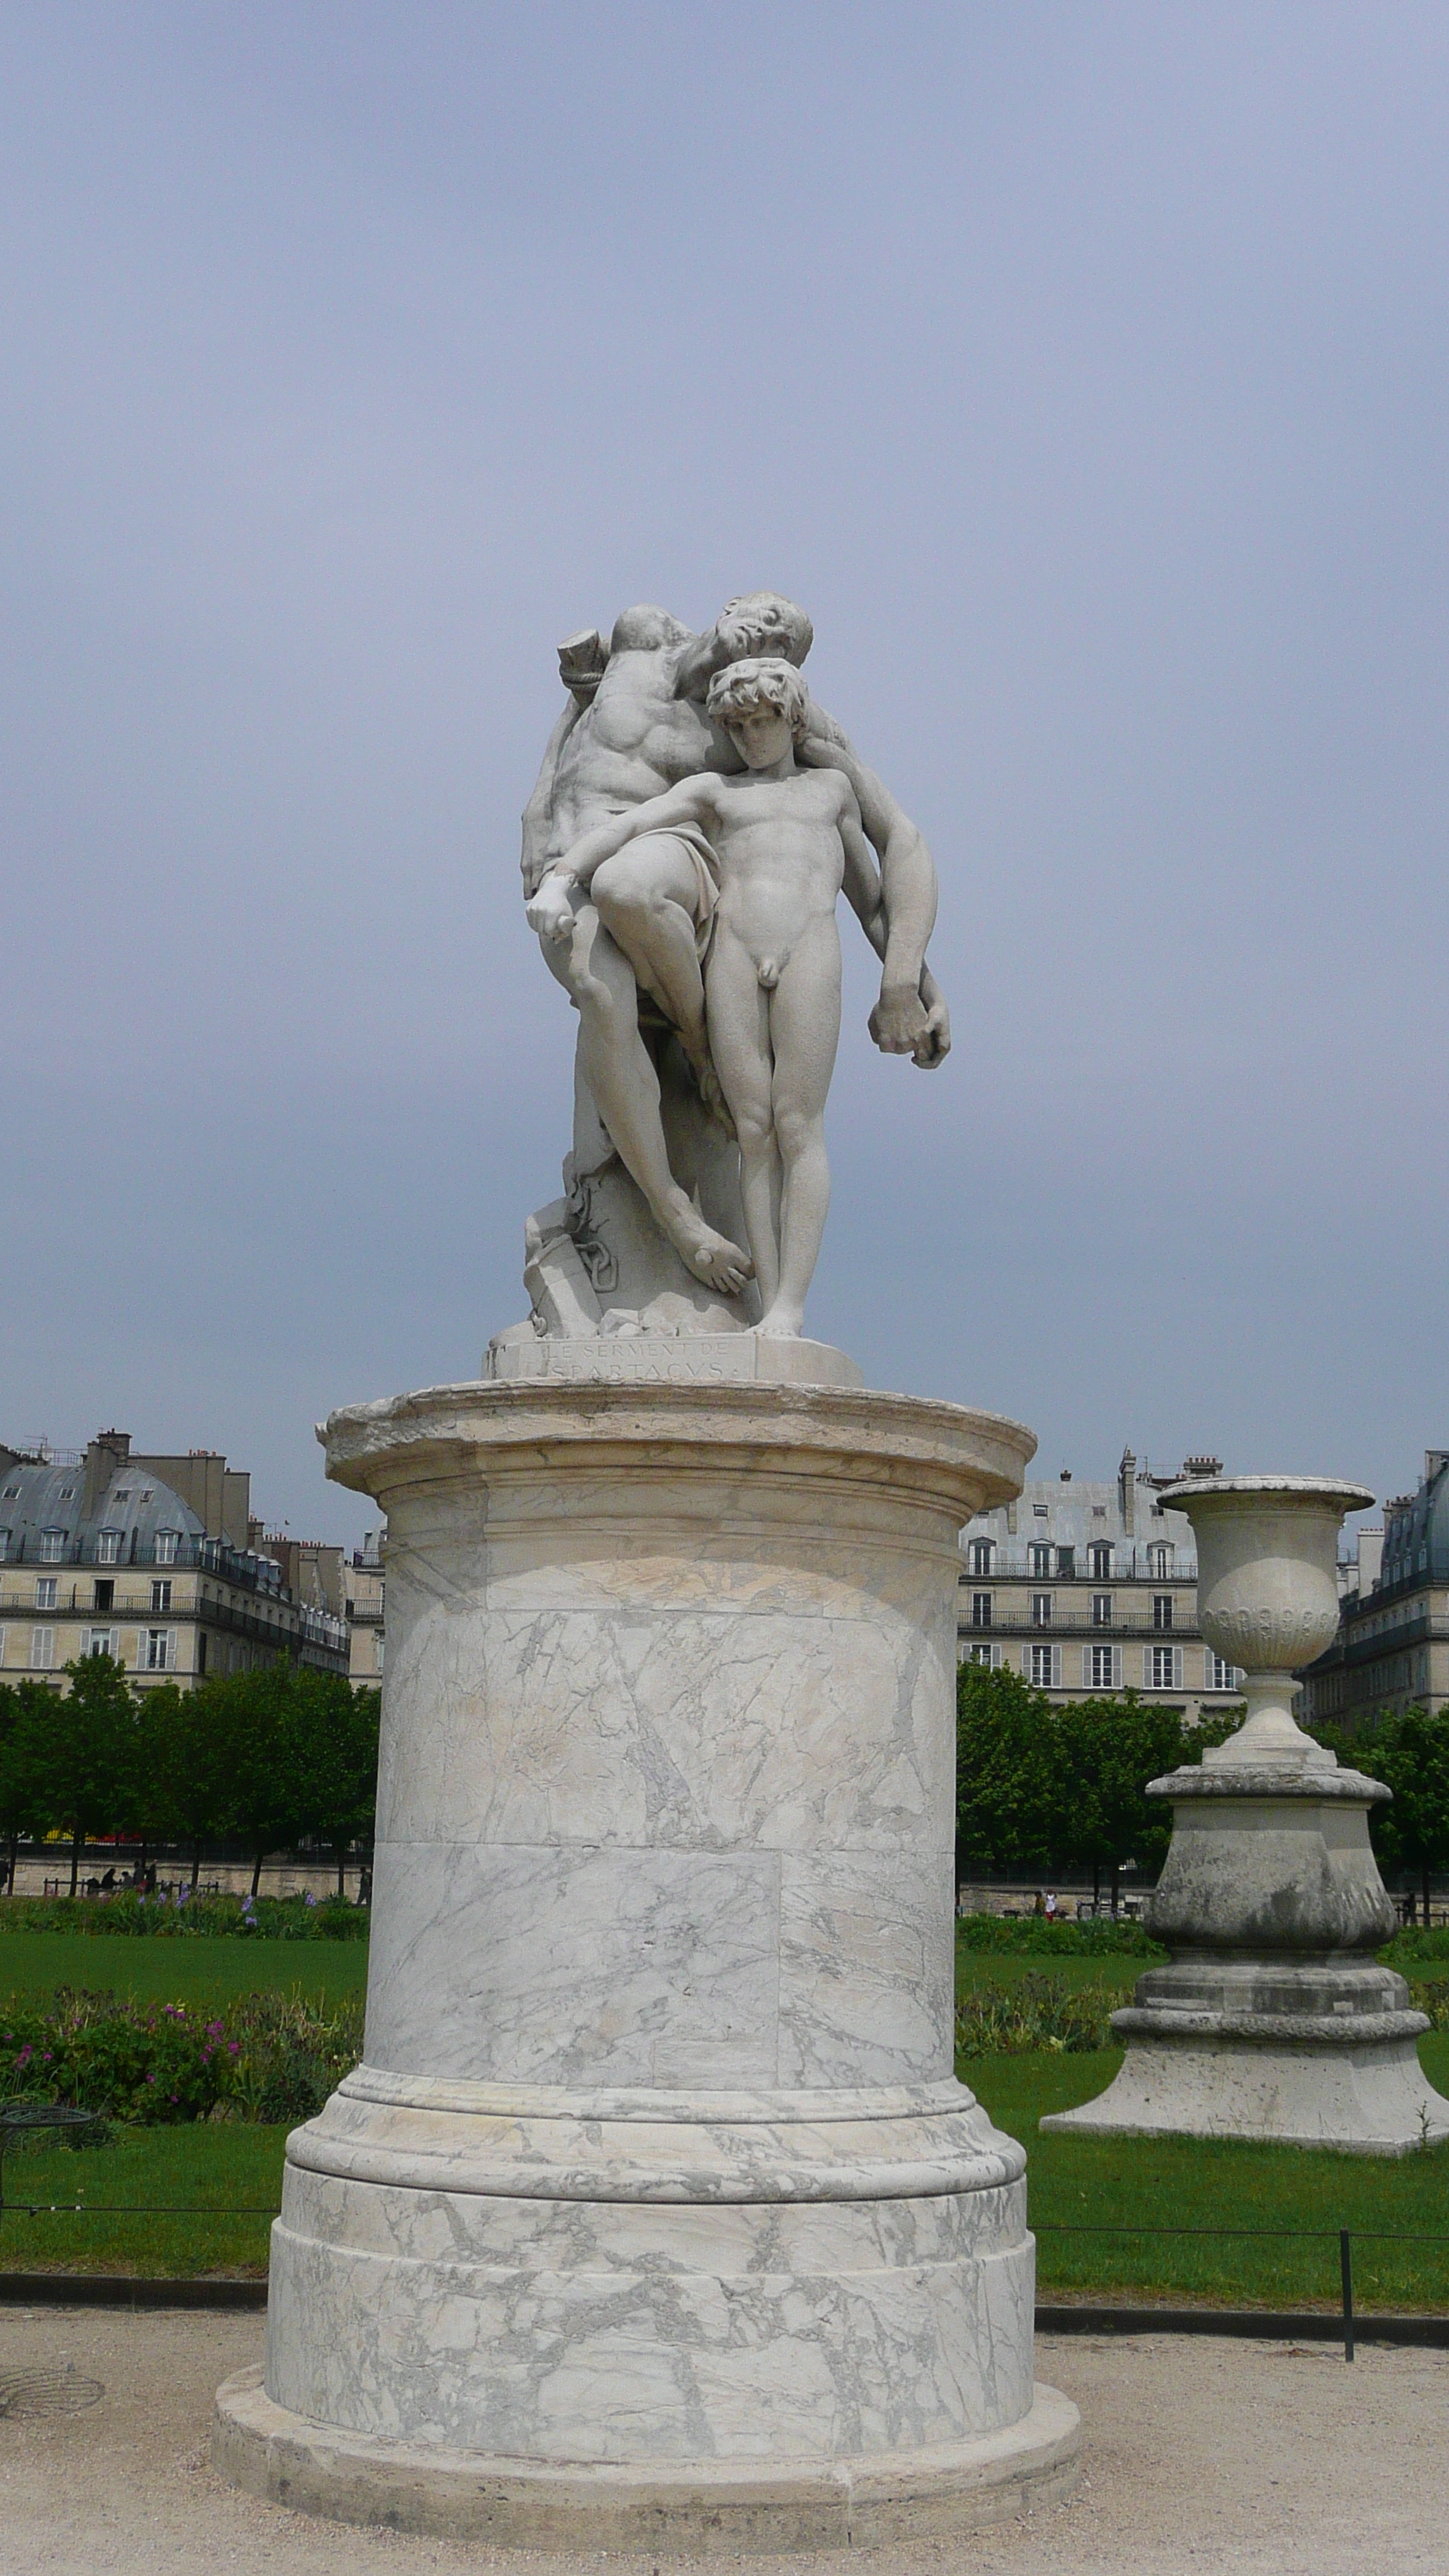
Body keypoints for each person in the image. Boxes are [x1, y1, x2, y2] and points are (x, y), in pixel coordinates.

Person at [520, 596, 949, 1296]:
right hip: (594, 869)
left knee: (792, 1124)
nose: (751, 732)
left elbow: (888, 858)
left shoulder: (809, 753)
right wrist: (555, 857)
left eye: (781, 642)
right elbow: (578, 754)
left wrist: (910, 981)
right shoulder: (644, 646)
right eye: (761, 619)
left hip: (719, 897)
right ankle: (682, 1225)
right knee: (730, 1109)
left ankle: (784, 1306)